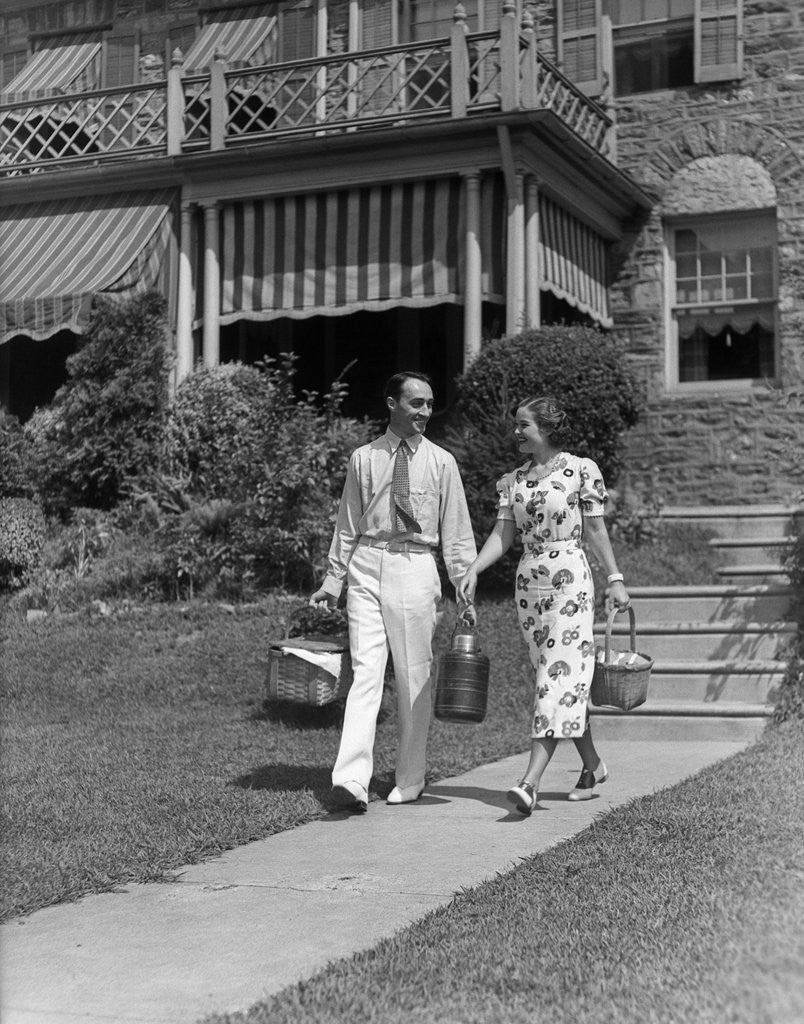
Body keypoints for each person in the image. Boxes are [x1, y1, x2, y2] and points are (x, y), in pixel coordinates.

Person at [310, 371, 477, 813]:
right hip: (367, 561)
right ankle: (350, 779)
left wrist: (464, 588)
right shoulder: (363, 459)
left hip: (415, 566)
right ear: (391, 404)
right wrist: (334, 580)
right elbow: (347, 523)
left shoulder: (442, 463)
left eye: (429, 403)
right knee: (366, 672)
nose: (424, 412)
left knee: (412, 675)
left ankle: (410, 777)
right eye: (415, 403)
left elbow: (457, 533)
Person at [456, 395, 630, 815]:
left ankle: (528, 783)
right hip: (529, 587)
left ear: (547, 429)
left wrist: (616, 579)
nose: (516, 432)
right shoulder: (512, 480)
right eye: (516, 425)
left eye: (523, 425)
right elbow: (503, 535)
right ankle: (592, 766)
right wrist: (474, 570)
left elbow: (594, 528)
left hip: (571, 580)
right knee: (559, 680)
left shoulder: (580, 470)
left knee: (554, 680)